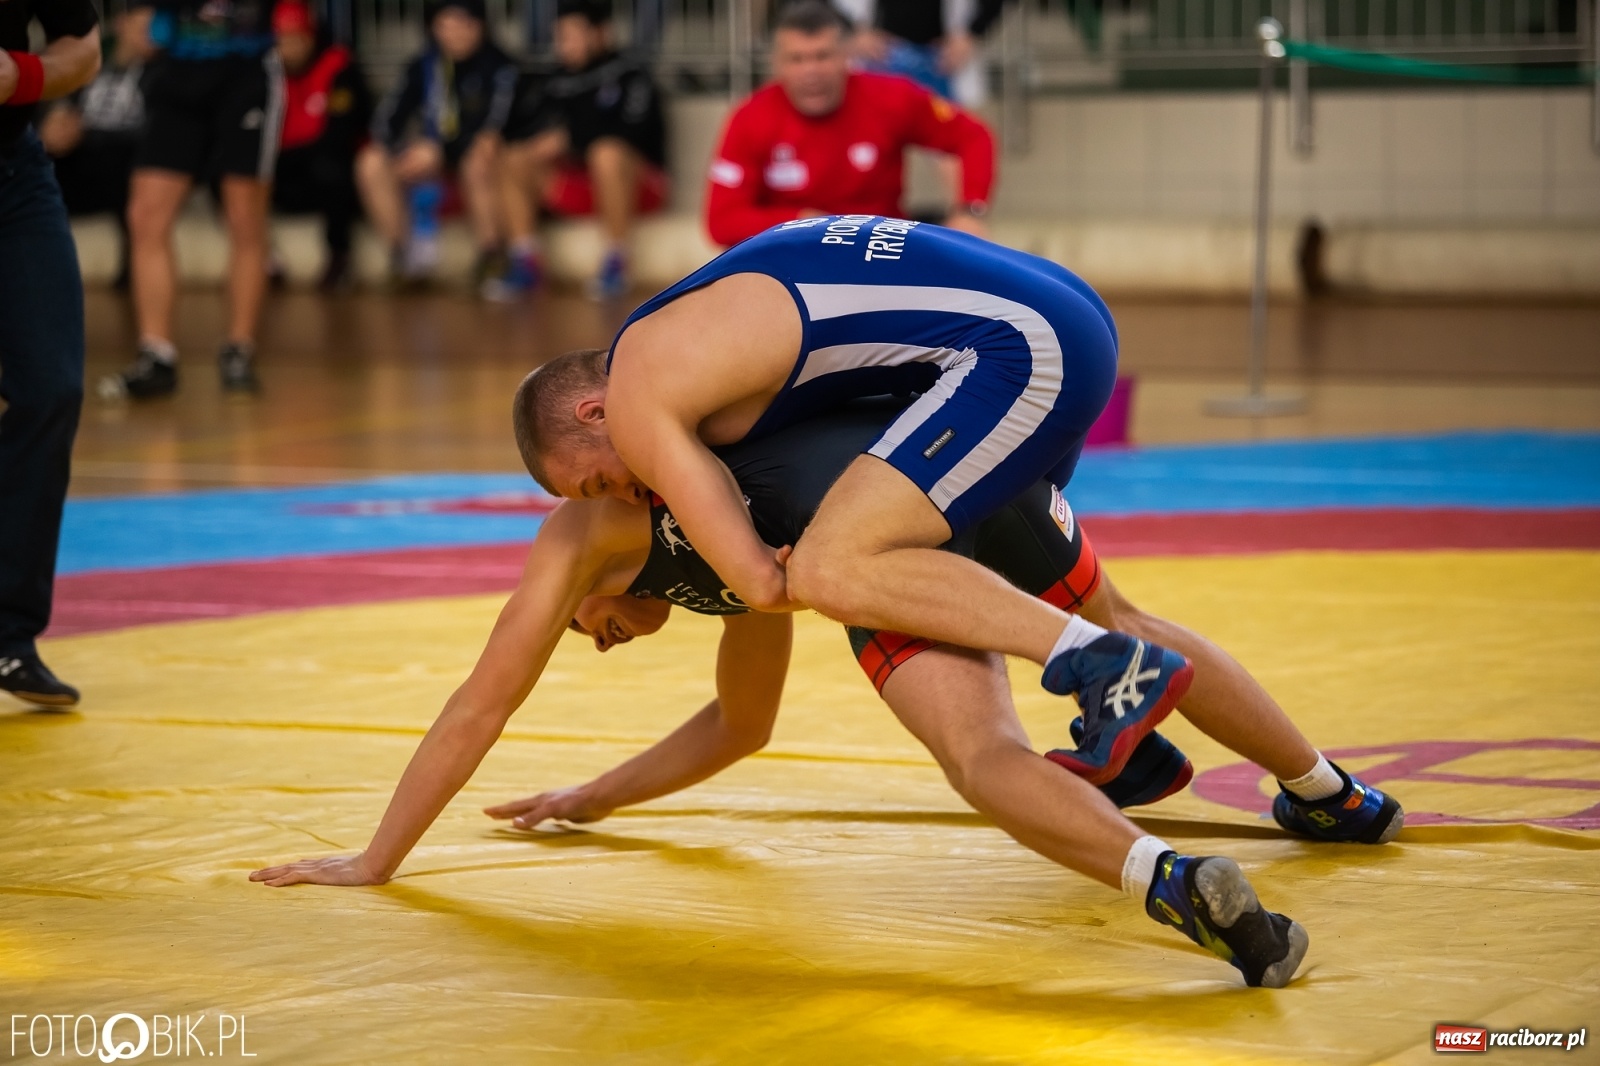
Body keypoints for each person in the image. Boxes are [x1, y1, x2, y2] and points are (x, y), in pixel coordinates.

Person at [250, 402, 1400, 986]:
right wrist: (592, 797)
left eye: (594, 477)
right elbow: (741, 726)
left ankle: (1163, 872)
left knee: (981, 757)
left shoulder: (583, 537)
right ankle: (1326, 793)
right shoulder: (713, 513)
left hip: (876, 545)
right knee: (1130, 626)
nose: (595, 639)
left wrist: (376, 857)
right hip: (962, 477)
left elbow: (475, 707)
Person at [98, 0, 283, 400]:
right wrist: (140, 23)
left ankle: (239, 349)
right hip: (177, 70)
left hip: (245, 70)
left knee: (244, 216)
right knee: (145, 215)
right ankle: (156, 354)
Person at [0, 0, 103, 706]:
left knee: (52, 386)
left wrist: (19, 74)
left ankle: (8, 637)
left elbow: (85, 50)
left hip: (12, 173)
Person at [704, 1, 994, 248]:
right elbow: (722, 221)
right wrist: (804, 222)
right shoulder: (751, 117)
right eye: (797, 59)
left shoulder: (890, 97)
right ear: (776, 64)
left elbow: (973, 136)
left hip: (881, 254)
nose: (811, 70)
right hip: (793, 259)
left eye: (823, 56)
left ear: (846, 56)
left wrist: (969, 210)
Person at [488, 0, 667, 301]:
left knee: (606, 152)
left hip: (637, 187)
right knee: (513, 155)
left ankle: (616, 261)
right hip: (579, 188)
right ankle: (526, 262)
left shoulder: (632, 73)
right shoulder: (554, 80)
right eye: (559, 36)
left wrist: (569, 139)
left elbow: (633, 133)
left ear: (601, 34)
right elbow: (521, 129)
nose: (563, 44)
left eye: (572, 35)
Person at [356, 0, 516, 287]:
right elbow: (386, 121)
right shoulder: (424, 65)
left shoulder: (500, 65)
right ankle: (405, 259)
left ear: (480, 26)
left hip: (474, 156)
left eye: (464, 24)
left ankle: (492, 258)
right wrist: (401, 150)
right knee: (371, 161)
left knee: (479, 159)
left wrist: (440, 150)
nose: (455, 33)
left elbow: (495, 125)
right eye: (446, 25)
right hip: (432, 153)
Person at [36, 4, 156, 290]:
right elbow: (55, 99)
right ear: (122, 24)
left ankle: (134, 271)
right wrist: (54, 124)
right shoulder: (88, 64)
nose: (151, 38)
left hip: (126, 160)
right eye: (144, 28)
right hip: (77, 157)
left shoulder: (164, 74)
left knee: (128, 163)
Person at [270, 0, 371, 291]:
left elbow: (342, 132)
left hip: (326, 169)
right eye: (282, 39)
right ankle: (266, 259)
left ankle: (340, 257)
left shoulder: (339, 66)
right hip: (279, 170)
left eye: (296, 38)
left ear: (311, 36)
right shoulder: (264, 73)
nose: (289, 47)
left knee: (332, 167)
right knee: (229, 172)